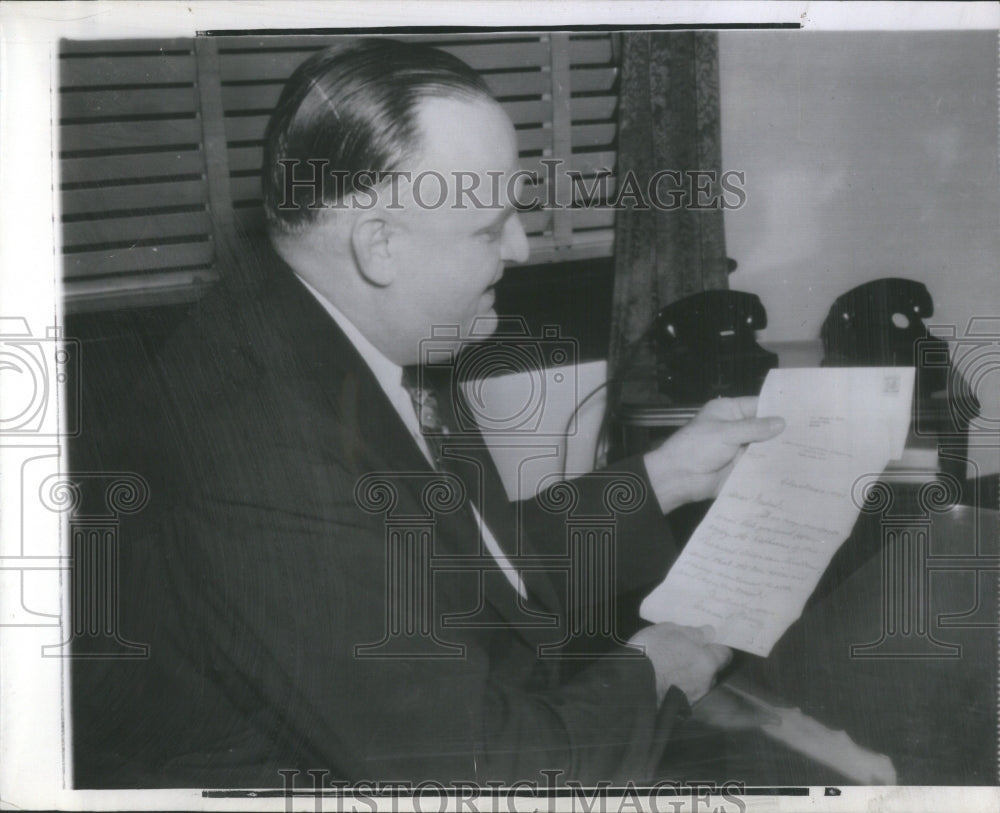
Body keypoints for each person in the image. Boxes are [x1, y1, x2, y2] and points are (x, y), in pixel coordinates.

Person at [71, 38, 783, 788]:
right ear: (378, 244)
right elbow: (479, 773)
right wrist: (655, 670)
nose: (523, 249)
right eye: (490, 227)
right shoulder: (258, 449)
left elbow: (468, 568)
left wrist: (665, 477)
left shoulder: (360, 328)